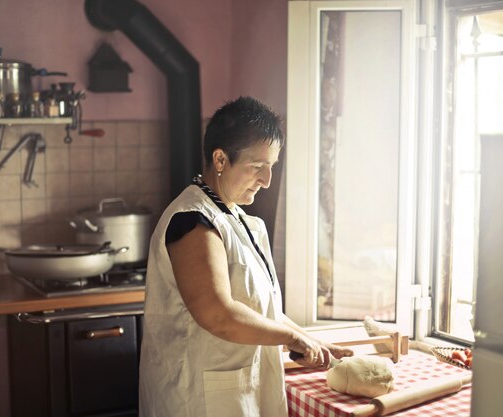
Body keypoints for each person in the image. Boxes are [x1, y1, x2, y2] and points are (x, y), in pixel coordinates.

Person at [139, 96, 353, 417]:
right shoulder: (193, 221)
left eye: (272, 167)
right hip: (194, 398)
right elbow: (219, 315)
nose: (267, 180)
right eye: (257, 167)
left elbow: (260, 310)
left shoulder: (240, 220)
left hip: (236, 393)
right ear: (221, 159)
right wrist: (293, 338)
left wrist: (314, 342)